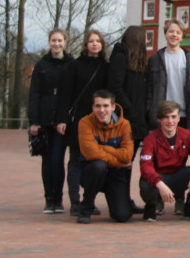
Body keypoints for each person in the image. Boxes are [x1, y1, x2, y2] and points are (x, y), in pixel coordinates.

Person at [57, 29, 110, 217]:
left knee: (94, 162)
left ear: (102, 45)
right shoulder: (74, 66)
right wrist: (62, 118)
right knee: (76, 161)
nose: (95, 44)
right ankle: (74, 201)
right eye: (91, 41)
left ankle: (89, 201)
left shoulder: (105, 66)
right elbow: (65, 94)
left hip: (98, 121)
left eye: (98, 41)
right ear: (85, 44)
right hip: (78, 121)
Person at [139, 100, 190, 222]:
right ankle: (151, 206)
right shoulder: (150, 139)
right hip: (159, 179)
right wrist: (159, 184)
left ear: (179, 118)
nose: (170, 121)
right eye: (166, 117)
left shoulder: (186, 135)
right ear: (159, 119)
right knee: (146, 181)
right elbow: (145, 166)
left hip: (178, 177)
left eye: (173, 117)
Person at [28, 28, 73, 214]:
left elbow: (71, 93)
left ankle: (59, 199)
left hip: (62, 120)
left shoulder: (71, 64)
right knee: (47, 161)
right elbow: (34, 94)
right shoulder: (41, 65)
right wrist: (34, 121)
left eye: (60, 40)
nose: (56, 44)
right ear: (49, 42)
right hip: (44, 118)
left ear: (65, 42)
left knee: (58, 159)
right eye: (53, 40)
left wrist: (65, 118)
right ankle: (49, 199)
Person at [107, 25, 150, 215]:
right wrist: (130, 109)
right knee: (121, 161)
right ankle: (118, 199)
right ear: (137, 39)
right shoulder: (120, 58)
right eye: (145, 38)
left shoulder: (139, 61)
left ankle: (124, 198)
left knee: (128, 162)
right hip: (126, 120)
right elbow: (115, 87)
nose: (147, 42)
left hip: (138, 121)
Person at [76, 90, 135, 224]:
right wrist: (118, 161)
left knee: (122, 216)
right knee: (98, 166)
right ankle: (86, 207)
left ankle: (117, 199)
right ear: (93, 107)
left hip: (115, 175)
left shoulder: (124, 124)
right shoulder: (84, 123)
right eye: (98, 106)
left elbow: (127, 156)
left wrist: (102, 147)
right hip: (91, 173)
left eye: (106, 106)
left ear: (113, 107)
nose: (102, 110)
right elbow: (91, 153)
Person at [146, 20, 190, 133]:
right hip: (162, 114)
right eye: (171, 31)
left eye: (178, 32)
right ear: (165, 34)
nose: (174, 35)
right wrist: (149, 110)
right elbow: (149, 89)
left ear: (182, 37)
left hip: (184, 114)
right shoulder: (155, 59)